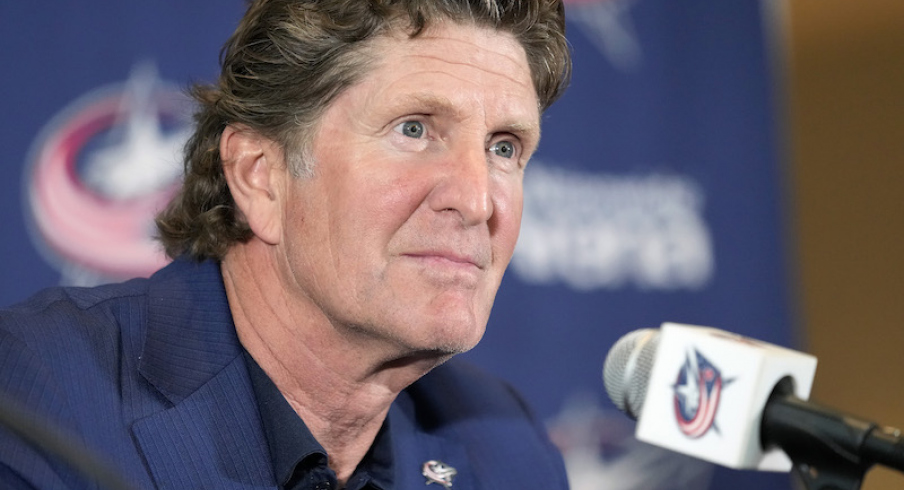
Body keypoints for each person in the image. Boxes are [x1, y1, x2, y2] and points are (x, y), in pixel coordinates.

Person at [0, 0, 571, 488]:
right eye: (414, 129)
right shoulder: (37, 400)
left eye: (503, 148)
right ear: (260, 176)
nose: (477, 201)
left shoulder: (505, 450)